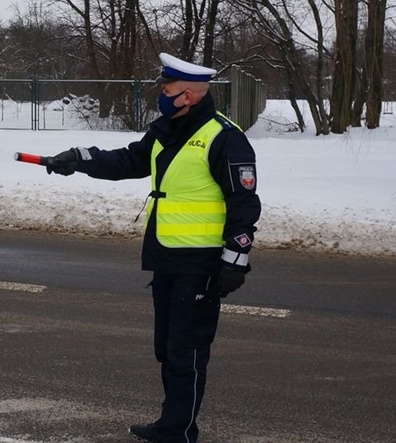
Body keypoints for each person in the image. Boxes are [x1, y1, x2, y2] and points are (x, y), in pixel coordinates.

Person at [45, 53, 261, 443]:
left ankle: (177, 433)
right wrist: (79, 159)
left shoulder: (225, 137)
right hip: (166, 256)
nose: (161, 95)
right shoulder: (166, 130)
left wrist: (236, 259)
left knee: (186, 353)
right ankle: (170, 425)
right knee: (166, 348)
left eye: (167, 90)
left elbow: (244, 203)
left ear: (189, 96)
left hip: (201, 261)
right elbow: (129, 160)